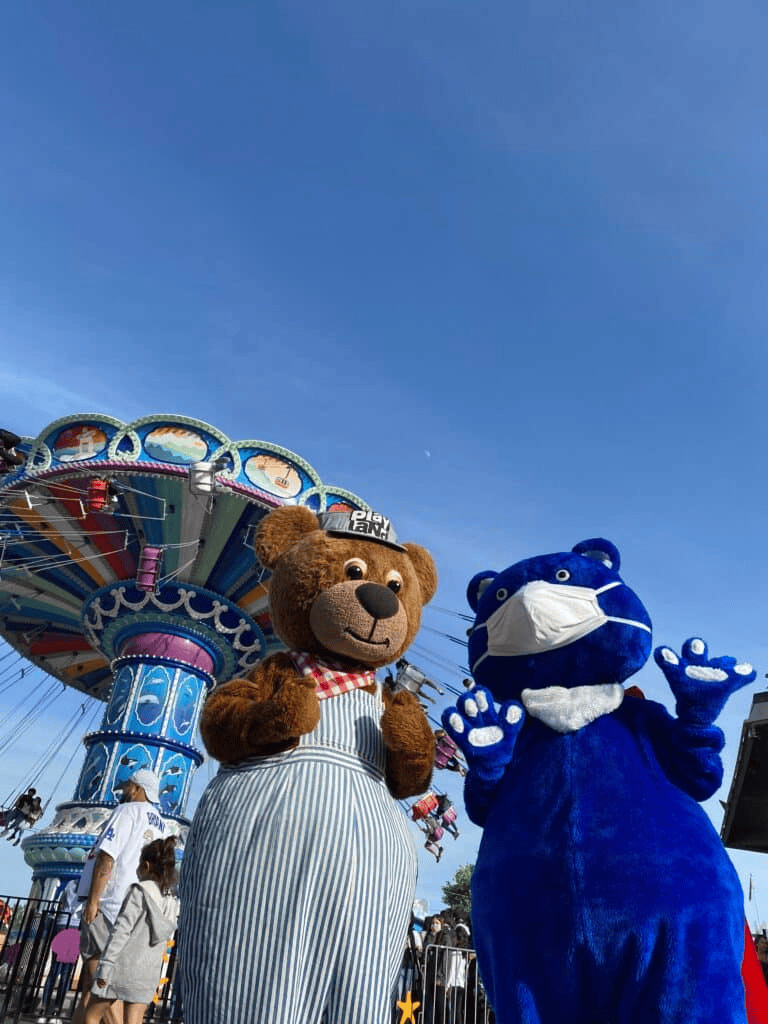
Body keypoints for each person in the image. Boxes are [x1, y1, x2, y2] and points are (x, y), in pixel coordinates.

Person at [73, 769, 166, 1024]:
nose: (124, 791)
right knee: (94, 989)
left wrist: (93, 902)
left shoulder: (127, 812)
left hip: (110, 903)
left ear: (137, 789)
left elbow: (107, 856)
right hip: (135, 909)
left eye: (128, 787)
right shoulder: (161, 823)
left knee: (99, 985)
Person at [85, 836, 179, 1024]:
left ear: (145, 866)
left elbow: (121, 931)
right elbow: (163, 939)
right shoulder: (170, 901)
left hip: (120, 968)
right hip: (146, 973)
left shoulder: (139, 891)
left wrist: (106, 966)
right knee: (134, 1020)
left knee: (92, 1016)